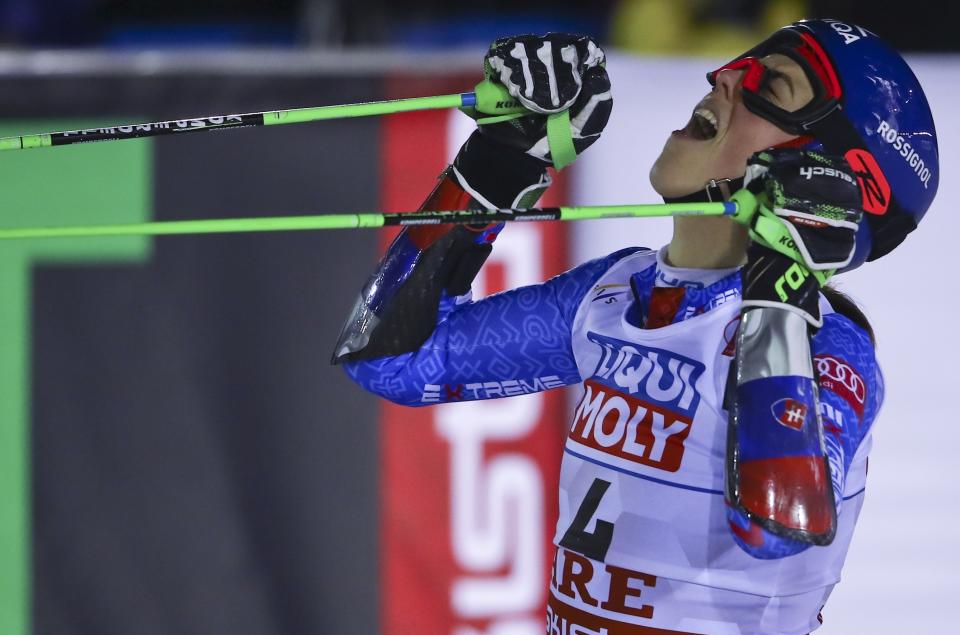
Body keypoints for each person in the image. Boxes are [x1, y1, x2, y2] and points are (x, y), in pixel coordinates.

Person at [333, 21, 937, 634]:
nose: (724, 74)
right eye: (742, 64)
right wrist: (496, 164)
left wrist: (781, 280)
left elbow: (779, 524)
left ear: (825, 172)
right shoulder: (618, 292)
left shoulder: (828, 344)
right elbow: (392, 360)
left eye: (770, 86)